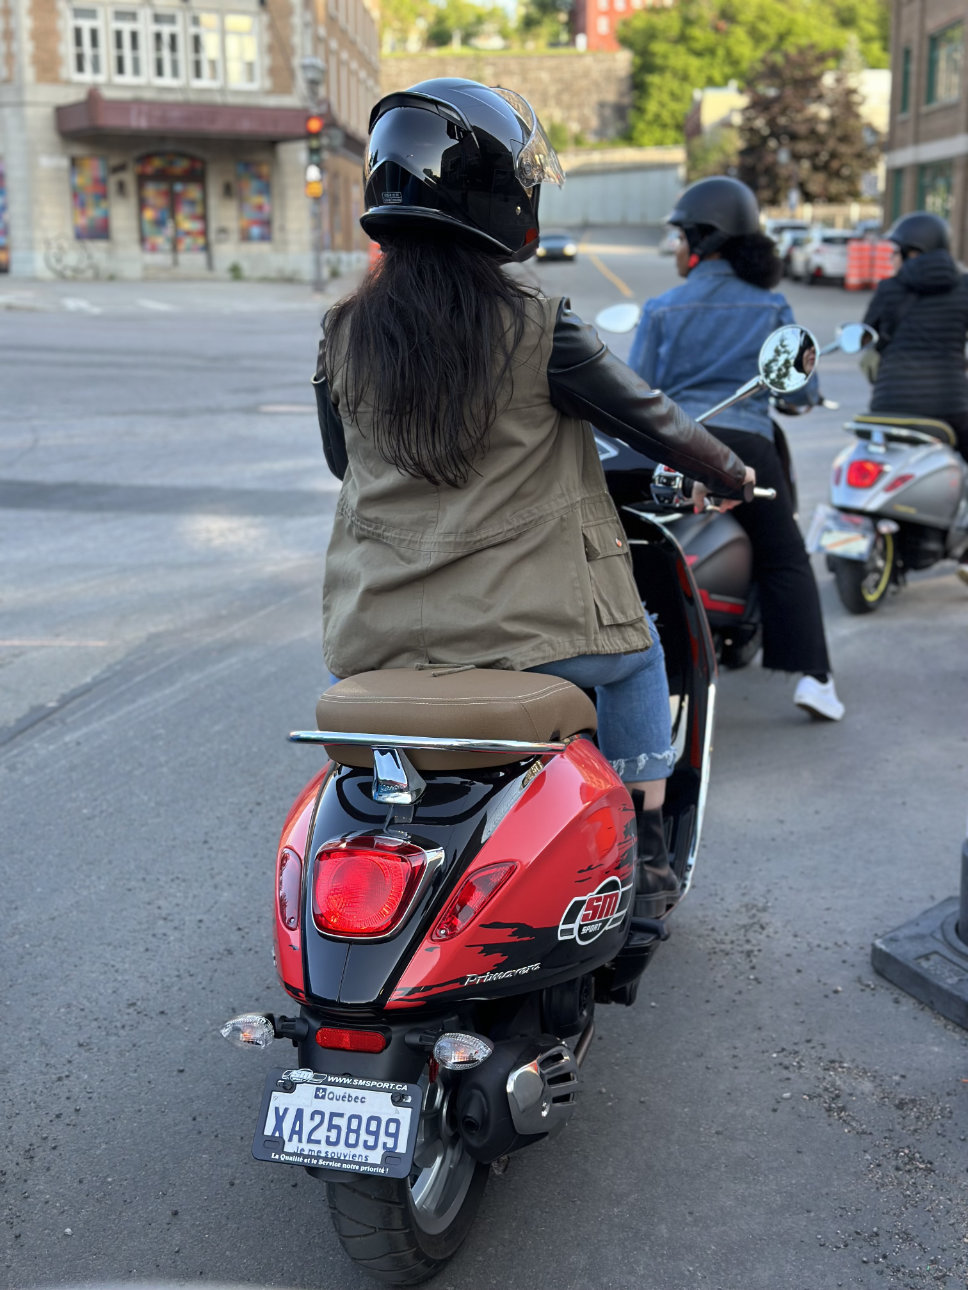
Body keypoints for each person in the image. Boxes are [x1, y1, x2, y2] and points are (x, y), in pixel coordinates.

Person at [313, 78, 754, 922]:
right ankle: (647, 852)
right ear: (500, 195)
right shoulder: (540, 322)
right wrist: (730, 474)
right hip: (535, 639)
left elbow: (345, 463)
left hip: (374, 638)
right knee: (638, 659)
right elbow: (655, 421)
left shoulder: (344, 330)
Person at [628, 175, 845, 722]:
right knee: (785, 554)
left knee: (641, 541)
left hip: (678, 445)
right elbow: (803, 388)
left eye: (681, 237)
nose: (676, 247)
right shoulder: (771, 307)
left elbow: (636, 391)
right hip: (747, 445)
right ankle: (815, 680)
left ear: (703, 240)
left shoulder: (661, 308)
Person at [861, 212, 968, 585]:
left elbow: (866, 338)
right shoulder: (965, 286)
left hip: (888, 406)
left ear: (912, 252)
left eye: (897, 251)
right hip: (949, 407)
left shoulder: (890, 289)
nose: (893, 259)